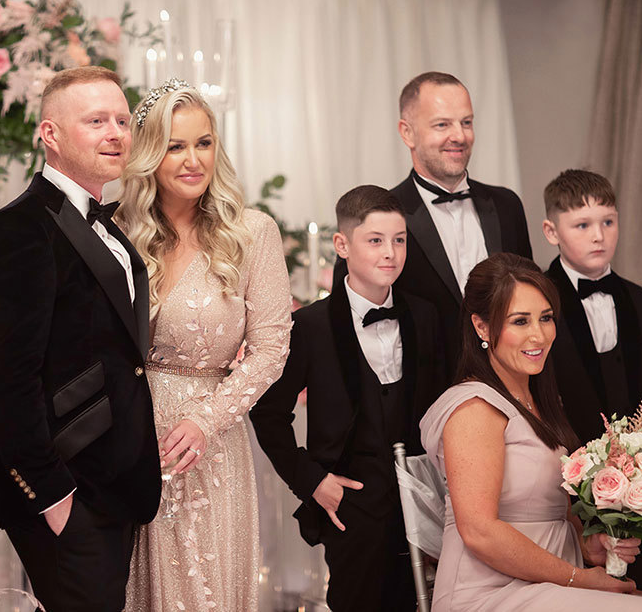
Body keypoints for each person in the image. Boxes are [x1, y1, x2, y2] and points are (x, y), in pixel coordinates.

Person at [0, 66, 161, 611]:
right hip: (65, 485)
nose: (116, 133)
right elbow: (7, 377)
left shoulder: (110, 225)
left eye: (122, 120)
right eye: (96, 120)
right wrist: (53, 494)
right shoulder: (17, 228)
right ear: (50, 135)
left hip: (117, 481)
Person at [116, 79, 291, 611]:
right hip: (128, 439)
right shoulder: (117, 231)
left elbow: (271, 351)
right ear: (149, 154)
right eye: (174, 145)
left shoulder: (252, 232)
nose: (193, 159)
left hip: (211, 444)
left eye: (204, 142)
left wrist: (206, 420)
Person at [420, 252, 642, 611]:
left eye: (546, 318)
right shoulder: (474, 408)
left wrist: (590, 546)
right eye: (520, 321)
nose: (538, 335)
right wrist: (579, 578)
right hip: (490, 593)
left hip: (552, 585)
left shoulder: (542, 402)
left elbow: (552, 512)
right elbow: (479, 532)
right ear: (482, 327)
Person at [251, 185, 445, 611]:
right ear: (342, 245)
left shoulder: (426, 317)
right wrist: (313, 482)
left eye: (399, 240)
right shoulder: (309, 327)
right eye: (375, 240)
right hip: (353, 507)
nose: (390, 252)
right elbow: (267, 413)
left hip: (425, 502)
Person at [335, 71, 532, 378]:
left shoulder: (507, 206)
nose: (460, 136)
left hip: (512, 384)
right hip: (423, 400)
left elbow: (531, 303)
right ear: (407, 132)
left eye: (466, 122)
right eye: (442, 124)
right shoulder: (379, 216)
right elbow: (348, 318)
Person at [542, 169, 642, 589]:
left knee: (636, 589)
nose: (599, 236)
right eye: (582, 225)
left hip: (640, 486)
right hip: (563, 487)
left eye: (608, 222)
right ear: (551, 231)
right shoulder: (539, 302)